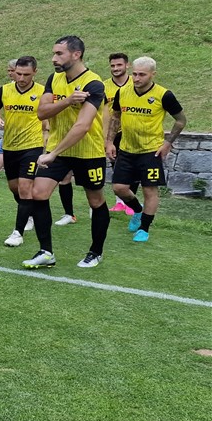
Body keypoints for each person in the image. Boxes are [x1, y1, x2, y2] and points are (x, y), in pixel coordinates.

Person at [22, 36, 109, 269]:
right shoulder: (54, 78)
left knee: (95, 200)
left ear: (76, 54)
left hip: (87, 151)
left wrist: (52, 153)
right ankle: (46, 252)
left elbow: (83, 126)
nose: (53, 58)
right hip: (57, 149)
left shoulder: (94, 84)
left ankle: (96, 252)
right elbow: (42, 112)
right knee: (38, 193)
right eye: (54, 53)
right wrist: (68, 101)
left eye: (59, 53)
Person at [106, 56, 186, 243]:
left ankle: (144, 229)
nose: (136, 78)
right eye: (134, 74)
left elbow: (181, 120)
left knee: (150, 191)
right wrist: (109, 142)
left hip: (151, 151)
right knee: (119, 188)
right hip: (126, 149)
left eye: (142, 74)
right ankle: (138, 210)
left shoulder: (164, 95)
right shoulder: (122, 92)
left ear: (152, 74)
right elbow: (116, 116)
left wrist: (167, 143)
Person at [0, 56, 47, 247]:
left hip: (32, 147)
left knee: (25, 187)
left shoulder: (43, 92)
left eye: (26, 74)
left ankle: (17, 233)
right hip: (10, 147)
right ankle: (29, 213)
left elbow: (48, 121)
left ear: (35, 72)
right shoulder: (4, 90)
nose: (21, 78)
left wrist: (47, 142)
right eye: (18, 74)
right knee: (14, 188)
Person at [103, 51, 135, 215]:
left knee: (131, 168)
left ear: (127, 65)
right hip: (112, 133)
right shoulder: (103, 86)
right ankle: (120, 202)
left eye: (119, 65)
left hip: (130, 132)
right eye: (113, 65)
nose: (116, 68)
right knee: (116, 166)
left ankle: (130, 203)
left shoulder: (136, 83)